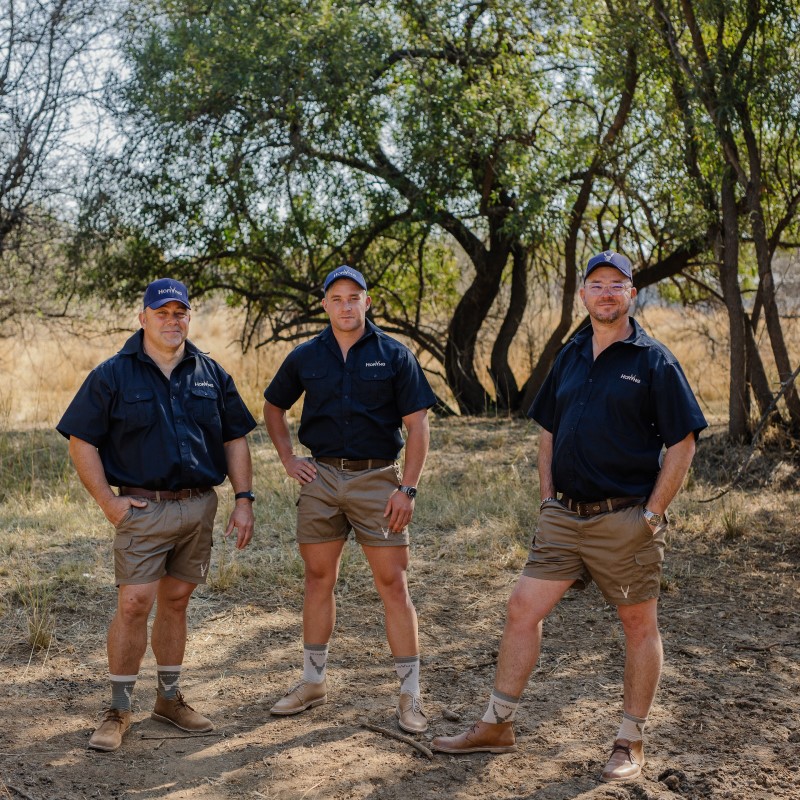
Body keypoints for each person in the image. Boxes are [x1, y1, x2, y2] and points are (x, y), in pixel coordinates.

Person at [431, 251, 707, 782]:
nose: (606, 293)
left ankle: (629, 740)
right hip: (564, 517)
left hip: (624, 519)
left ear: (631, 294)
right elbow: (548, 431)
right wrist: (546, 499)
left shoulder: (654, 361)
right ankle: (497, 725)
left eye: (616, 284)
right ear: (583, 295)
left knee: (638, 625)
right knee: (521, 609)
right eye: (596, 284)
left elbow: (683, 442)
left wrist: (652, 515)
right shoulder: (571, 354)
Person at [57, 278, 257, 752]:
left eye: (179, 312)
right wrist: (108, 501)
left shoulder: (210, 373)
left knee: (177, 601)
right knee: (134, 603)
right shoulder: (113, 374)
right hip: (143, 509)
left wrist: (244, 498)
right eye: (162, 313)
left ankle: (168, 699)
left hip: (198, 506)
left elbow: (234, 438)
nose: (172, 321)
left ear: (189, 317)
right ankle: (118, 709)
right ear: (143, 317)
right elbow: (81, 441)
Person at [263, 265, 436, 733]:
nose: (345, 306)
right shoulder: (306, 356)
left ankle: (410, 696)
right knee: (318, 578)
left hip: (377, 480)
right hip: (320, 479)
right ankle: (313, 682)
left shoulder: (393, 354)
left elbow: (418, 425)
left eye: (353, 297)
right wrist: (288, 458)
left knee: (393, 584)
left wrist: (407, 488)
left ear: (367, 301)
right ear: (324, 304)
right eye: (336, 298)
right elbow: (273, 407)